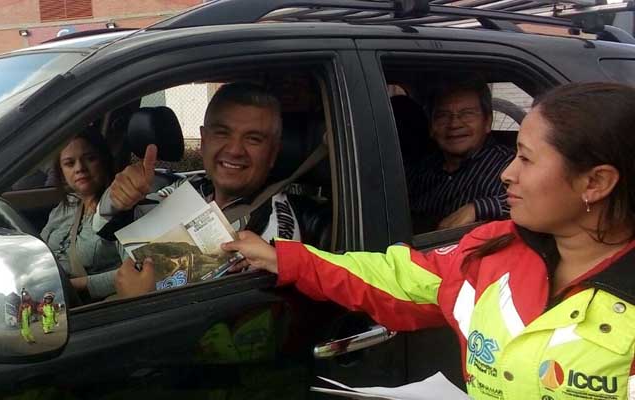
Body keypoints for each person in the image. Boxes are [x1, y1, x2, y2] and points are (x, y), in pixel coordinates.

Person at [222, 82, 635, 399]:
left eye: (525, 158)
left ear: (595, 182)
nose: (507, 174)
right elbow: (393, 278)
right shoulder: (492, 252)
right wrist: (287, 260)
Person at [78, 82, 316, 298]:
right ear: (203, 141)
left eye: (253, 139)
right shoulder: (192, 187)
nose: (234, 150)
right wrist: (116, 199)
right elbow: (106, 239)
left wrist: (143, 304)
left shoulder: (272, 231)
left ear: (273, 154)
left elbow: (232, 325)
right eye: (222, 133)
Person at [407, 77, 515, 231]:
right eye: (443, 115)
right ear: (431, 127)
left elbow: (535, 200)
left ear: (487, 122)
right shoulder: (421, 167)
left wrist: (477, 208)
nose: (454, 124)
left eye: (467, 114)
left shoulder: (507, 164)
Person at [40, 130, 120, 299]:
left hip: (85, 304)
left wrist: (71, 286)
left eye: (90, 159)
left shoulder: (120, 206)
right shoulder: (67, 205)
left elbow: (137, 272)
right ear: (61, 172)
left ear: (104, 161)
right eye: (69, 163)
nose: (80, 168)